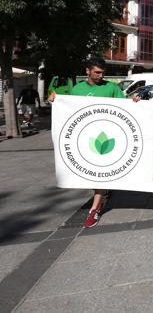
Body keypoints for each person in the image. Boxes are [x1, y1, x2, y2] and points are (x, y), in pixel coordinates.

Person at [48, 57, 136, 228]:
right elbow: (68, 108)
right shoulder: (77, 89)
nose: (101, 75)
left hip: (107, 137)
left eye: (103, 72)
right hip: (86, 138)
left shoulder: (111, 87)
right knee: (92, 173)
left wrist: (134, 101)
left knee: (100, 174)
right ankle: (102, 193)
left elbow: (126, 106)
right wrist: (55, 100)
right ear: (87, 71)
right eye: (97, 72)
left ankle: (95, 209)